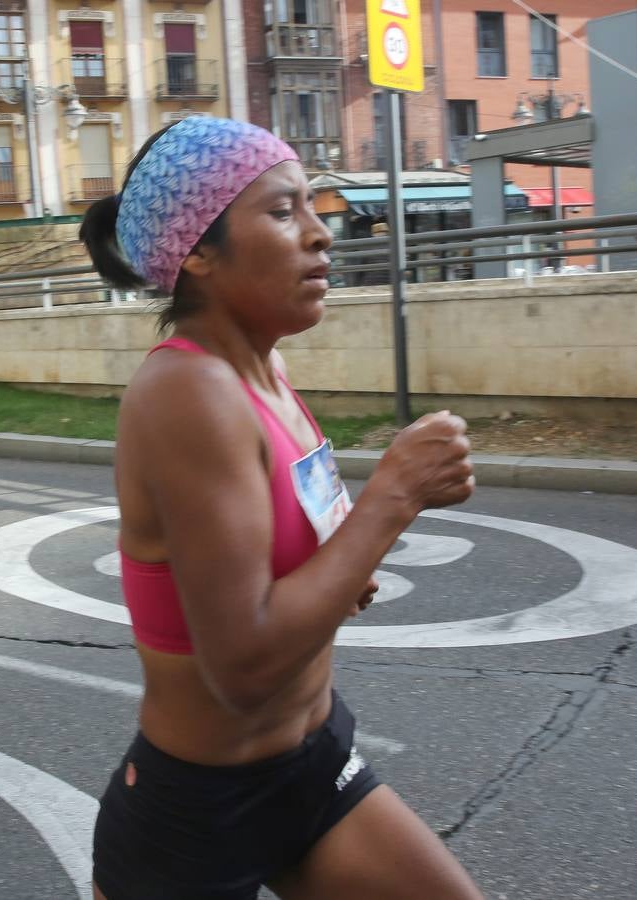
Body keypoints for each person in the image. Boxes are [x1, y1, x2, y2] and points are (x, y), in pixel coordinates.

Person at [80, 116, 482, 900]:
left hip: (311, 766)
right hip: (197, 820)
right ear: (197, 250)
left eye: (311, 206)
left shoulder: (267, 372)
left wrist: (344, 561)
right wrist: (394, 494)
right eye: (280, 211)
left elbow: (302, 549)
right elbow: (243, 668)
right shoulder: (186, 392)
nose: (319, 233)